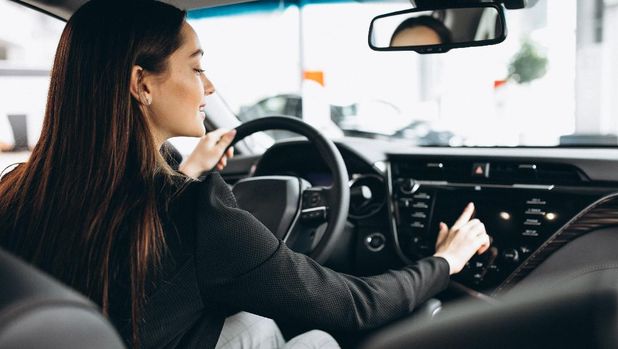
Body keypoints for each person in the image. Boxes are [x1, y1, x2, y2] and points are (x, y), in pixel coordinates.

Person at [0, 1, 490, 348]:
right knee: (318, 338)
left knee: (252, 324)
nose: (209, 85)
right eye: (196, 68)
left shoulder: (16, 187)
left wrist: (187, 172)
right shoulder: (197, 214)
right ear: (141, 84)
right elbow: (354, 306)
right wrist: (446, 261)